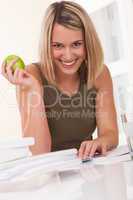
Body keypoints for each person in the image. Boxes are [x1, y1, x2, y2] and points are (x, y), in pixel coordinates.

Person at [1, 1, 118, 159]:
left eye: (76, 44)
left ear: (88, 43)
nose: (68, 56)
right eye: (58, 46)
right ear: (46, 46)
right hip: (49, 177)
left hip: (88, 171)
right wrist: (34, 89)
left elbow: (110, 134)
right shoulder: (29, 76)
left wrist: (100, 141)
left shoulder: (99, 73)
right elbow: (39, 152)